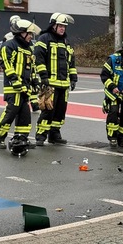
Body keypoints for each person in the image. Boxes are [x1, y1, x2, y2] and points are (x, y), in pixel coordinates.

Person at [0, 19, 42, 154]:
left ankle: (21, 138)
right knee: (11, 112)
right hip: (13, 87)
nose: (31, 36)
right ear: (21, 33)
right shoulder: (9, 46)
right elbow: (7, 66)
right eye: (29, 34)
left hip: (25, 87)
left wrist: (35, 82)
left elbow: (31, 68)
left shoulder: (28, 48)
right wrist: (16, 82)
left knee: (25, 115)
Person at [34, 13, 78, 145]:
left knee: (60, 112)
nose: (63, 28)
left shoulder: (66, 42)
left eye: (64, 26)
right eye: (60, 26)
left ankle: (54, 135)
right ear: (53, 25)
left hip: (64, 85)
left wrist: (73, 78)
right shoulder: (44, 39)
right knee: (48, 110)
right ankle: (41, 136)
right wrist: (44, 77)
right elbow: (39, 59)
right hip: (50, 84)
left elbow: (71, 62)